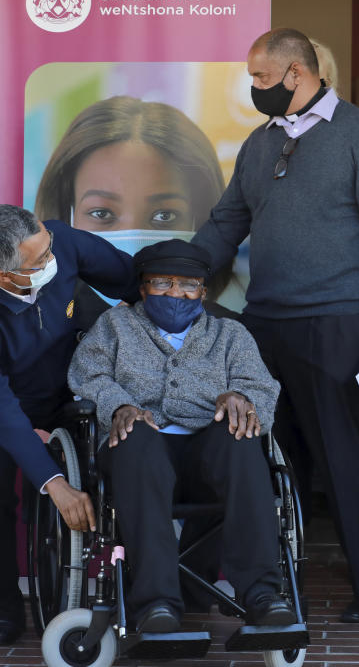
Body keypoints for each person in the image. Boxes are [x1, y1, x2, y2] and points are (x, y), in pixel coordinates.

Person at [191, 28, 359, 623]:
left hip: (336, 320)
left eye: (261, 77)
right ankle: (272, 583)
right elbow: (225, 223)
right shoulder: (261, 143)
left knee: (340, 456)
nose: (253, 87)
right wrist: (178, 276)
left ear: (296, 73)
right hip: (263, 324)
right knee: (268, 459)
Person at [67, 239, 293, 634]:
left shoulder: (230, 335)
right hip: (139, 449)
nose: (176, 293)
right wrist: (120, 405)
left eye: (188, 285)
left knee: (241, 439)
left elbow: (261, 387)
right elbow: (88, 376)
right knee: (135, 436)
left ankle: (261, 593)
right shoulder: (115, 326)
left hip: (207, 453)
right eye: (162, 283)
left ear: (203, 292)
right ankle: (156, 603)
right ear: (142, 288)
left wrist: (241, 398)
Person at [0, 204, 139, 645]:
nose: (51, 264)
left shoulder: (62, 240)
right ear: (5, 276)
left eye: (49, 249)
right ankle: (4, 606)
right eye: (37, 263)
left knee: (130, 455)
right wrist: (53, 481)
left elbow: (137, 282)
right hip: (13, 401)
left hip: (78, 380)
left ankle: (147, 592)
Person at [32, 96, 242, 320]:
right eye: (102, 213)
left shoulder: (235, 339)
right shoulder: (30, 335)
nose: (132, 253)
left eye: (164, 216)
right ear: (66, 216)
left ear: (201, 221)